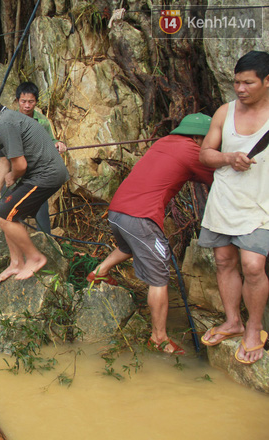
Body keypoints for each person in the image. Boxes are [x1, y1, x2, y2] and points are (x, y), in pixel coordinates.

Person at [87, 113, 215, 355]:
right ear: (200, 138)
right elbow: (216, 178)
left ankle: (100, 272)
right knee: (160, 276)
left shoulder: (163, 142)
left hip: (117, 212)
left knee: (128, 246)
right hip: (141, 218)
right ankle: (159, 337)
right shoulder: (193, 150)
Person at [198, 50, 269, 365]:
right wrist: (228, 157)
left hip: (261, 202)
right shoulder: (224, 113)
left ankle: (254, 328)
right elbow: (205, 154)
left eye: (248, 83)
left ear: (267, 82)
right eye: (237, 82)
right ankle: (233, 321)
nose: (240, 89)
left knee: (253, 266)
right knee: (224, 261)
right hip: (225, 198)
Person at [0, 86, 69, 282]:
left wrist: (12, 175)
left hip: (46, 175)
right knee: (8, 212)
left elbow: (19, 164)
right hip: (40, 175)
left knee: (3, 215)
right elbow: (4, 160)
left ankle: (35, 258)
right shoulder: (4, 120)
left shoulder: (6, 123)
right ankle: (16, 263)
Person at [15, 81, 67, 235]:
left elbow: (50, 140)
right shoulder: (10, 120)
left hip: (36, 171)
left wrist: (58, 143)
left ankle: (46, 241)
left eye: (31, 102)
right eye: (23, 101)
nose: (27, 106)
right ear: (17, 100)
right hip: (17, 170)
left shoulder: (42, 121)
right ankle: (8, 245)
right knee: (9, 206)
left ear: (36, 102)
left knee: (41, 205)